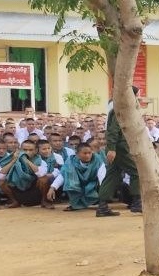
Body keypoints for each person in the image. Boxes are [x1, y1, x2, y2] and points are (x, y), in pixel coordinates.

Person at [97, 87, 142, 216]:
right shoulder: (122, 110)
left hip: (118, 147)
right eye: (137, 95)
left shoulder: (123, 108)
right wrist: (111, 148)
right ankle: (137, 202)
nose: (138, 98)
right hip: (120, 147)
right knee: (136, 171)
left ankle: (102, 206)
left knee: (113, 174)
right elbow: (112, 130)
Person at [49, 141, 106, 211]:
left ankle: (100, 202)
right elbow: (63, 175)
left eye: (89, 153)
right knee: (69, 178)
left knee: (101, 185)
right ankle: (75, 204)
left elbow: (102, 177)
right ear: (77, 154)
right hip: (77, 185)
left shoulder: (98, 160)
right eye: (85, 153)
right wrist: (52, 188)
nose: (88, 155)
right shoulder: (70, 161)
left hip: (93, 186)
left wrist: (103, 194)